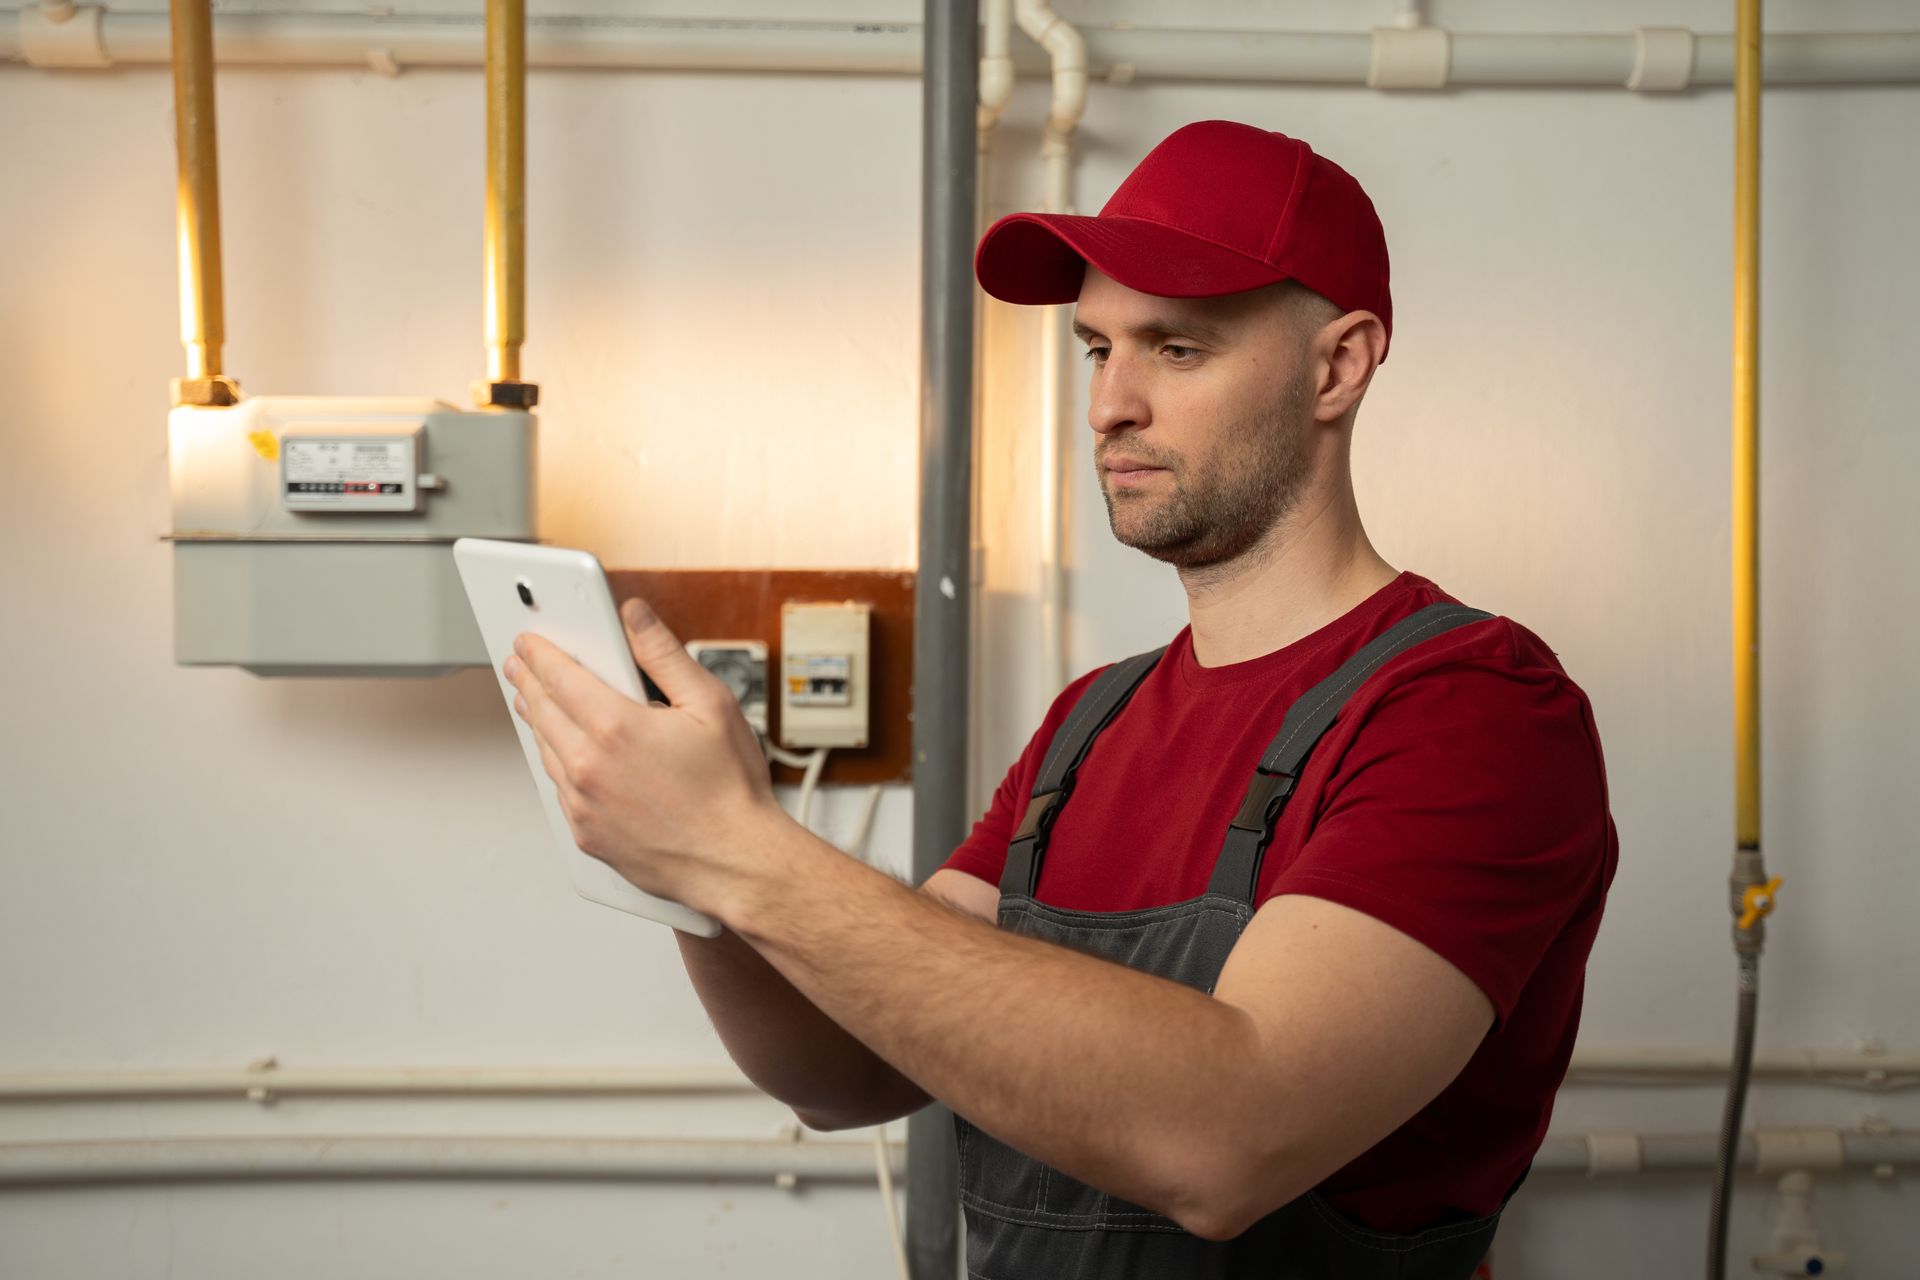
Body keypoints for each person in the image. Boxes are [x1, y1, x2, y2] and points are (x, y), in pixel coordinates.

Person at [502, 119, 1617, 1279]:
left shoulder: (1473, 711)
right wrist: (691, 878)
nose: (1109, 407)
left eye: (1176, 348)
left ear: (1337, 366)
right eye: (1096, 349)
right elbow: (843, 1069)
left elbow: (1229, 1135)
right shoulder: (1091, 723)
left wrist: (743, 849)